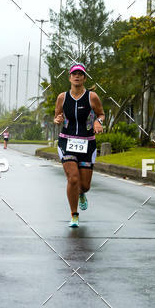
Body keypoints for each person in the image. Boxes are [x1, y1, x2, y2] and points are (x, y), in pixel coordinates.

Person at [54, 64, 105, 228]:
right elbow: (57, 116)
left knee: (84, 186)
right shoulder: (62, 97)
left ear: (84, 78)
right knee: (73, 178)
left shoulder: (92, 97)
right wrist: (57, 120)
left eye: (80, 74)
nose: (77, 76)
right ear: (70, 77)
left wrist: (98, 122)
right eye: (74, 74)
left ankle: (82, 193)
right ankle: (74, 215)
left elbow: (101, 114)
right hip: (67, 141)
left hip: (87, 142)